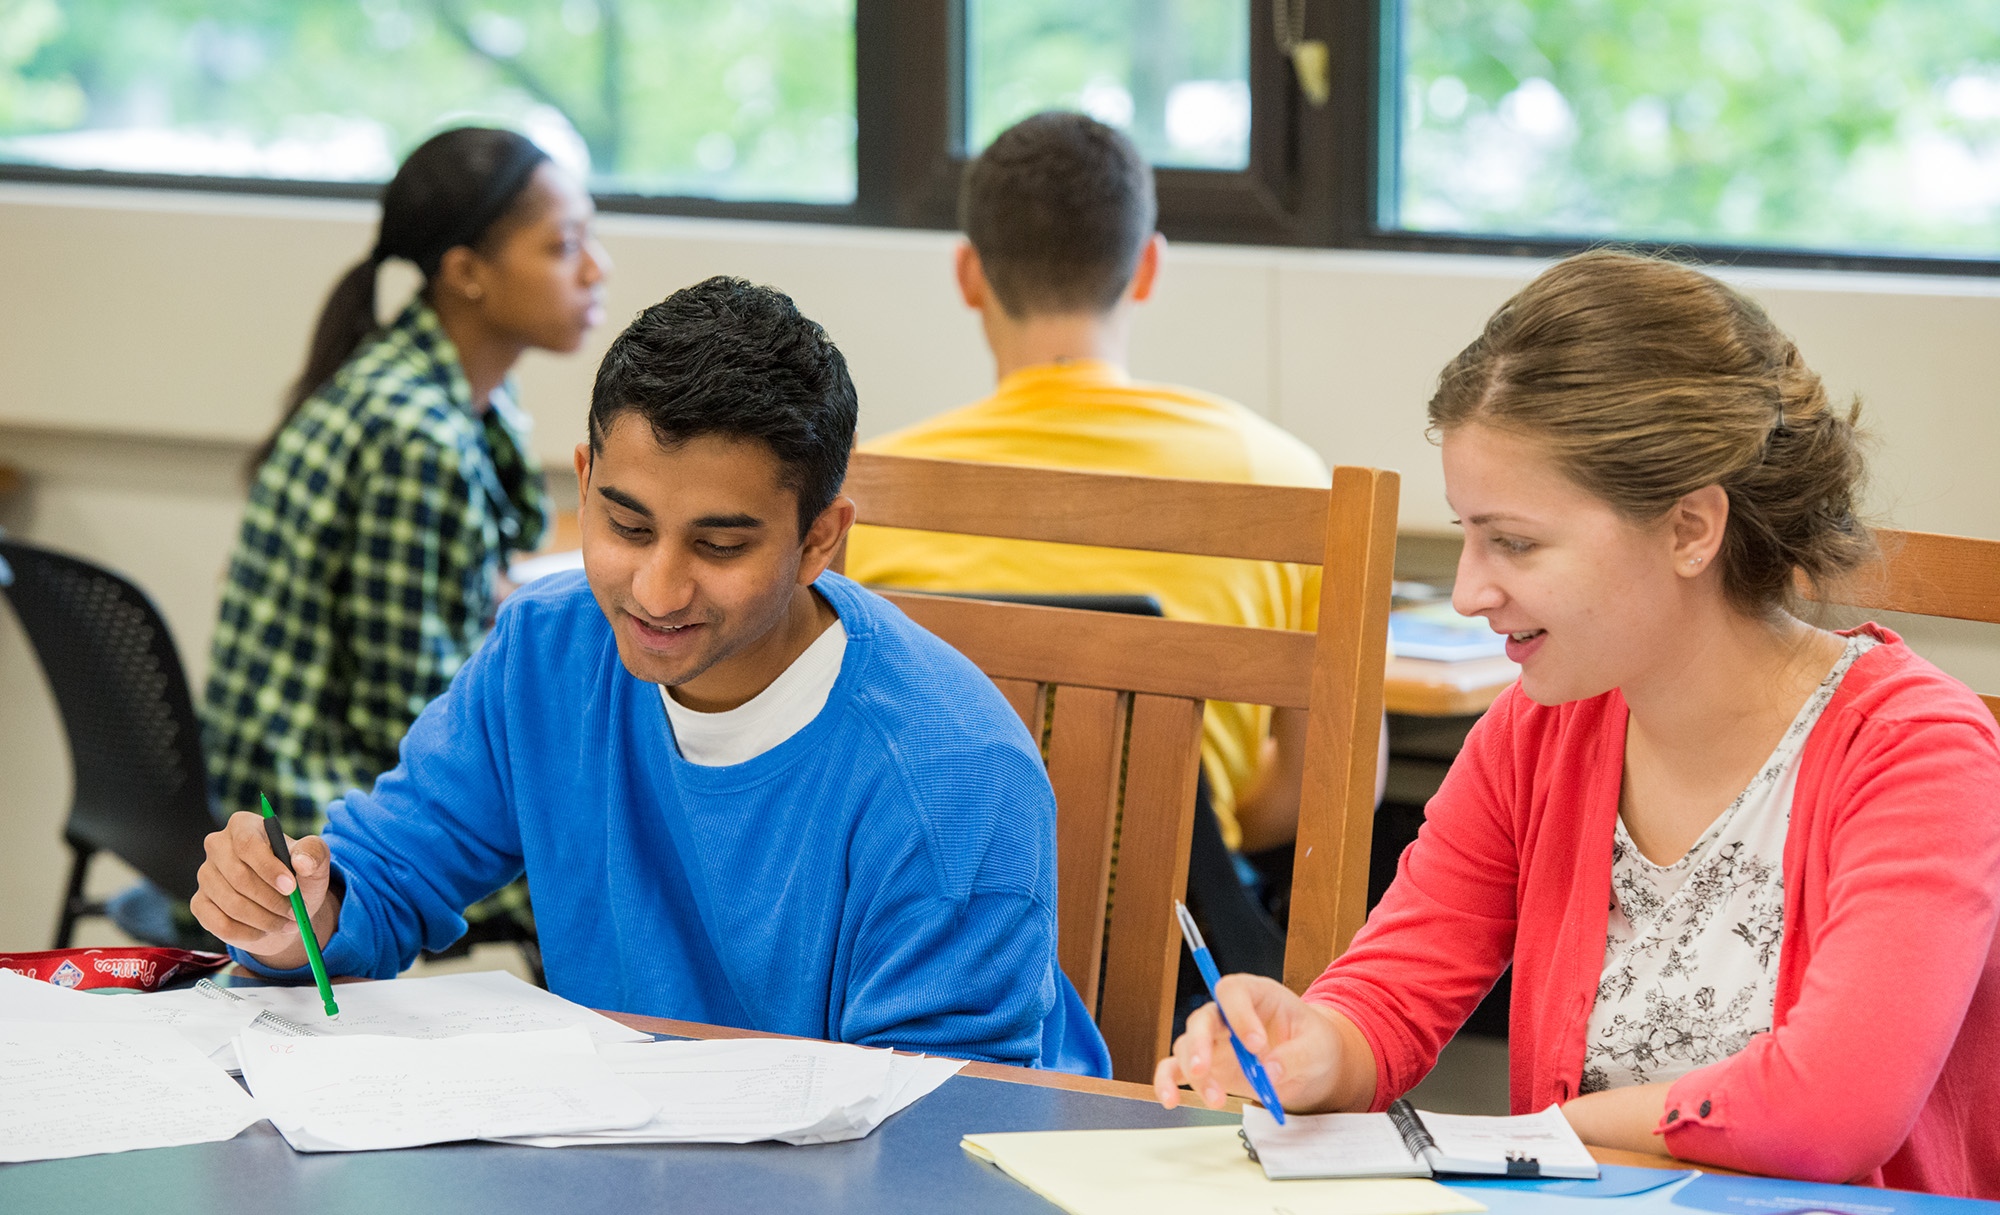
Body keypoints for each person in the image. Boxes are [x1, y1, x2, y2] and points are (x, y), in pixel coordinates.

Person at [1154, 250, 2000, 1197]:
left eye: (1512, 542)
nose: (1472, 588)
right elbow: (1393, 992)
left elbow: (1833, 1109)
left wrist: (1529, 1134)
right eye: (1467, 533)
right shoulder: (1537, 732)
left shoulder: (1915, 749)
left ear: (1690, 528)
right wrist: (1316, 1046)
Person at [189, 276, 1112, 1076]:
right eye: (627, 527)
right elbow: (383, 874)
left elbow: (927, 1134)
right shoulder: (546, 655)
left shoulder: (950, 773)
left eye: (719, 544)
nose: (658, 589)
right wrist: (293, 914)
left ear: (820, 539)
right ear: (585, 480)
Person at [843, 112, 1339, 970]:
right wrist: (1157, 831)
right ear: (1147, 267)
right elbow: (1319, 791)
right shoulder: (1284, 480)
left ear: (969, 274)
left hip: (925, 956)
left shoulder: (861, 491)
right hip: (1179, 974)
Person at [200, 127, 608, 951]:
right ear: (466, 273)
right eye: (565, 247)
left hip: (292, 774)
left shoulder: (437, 386)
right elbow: (416, 717)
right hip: (306, 827)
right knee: (617, 862)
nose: (596, 270)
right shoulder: (416, 434)